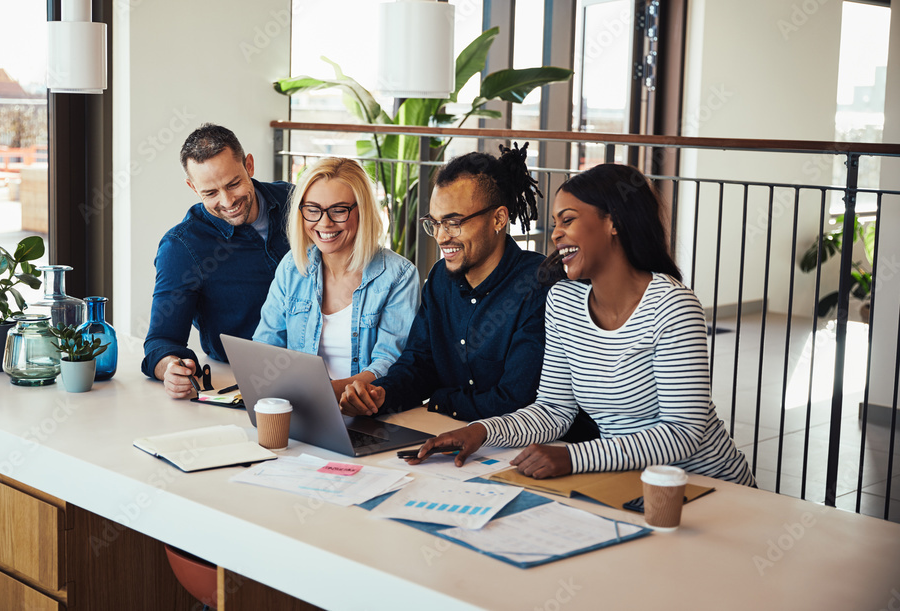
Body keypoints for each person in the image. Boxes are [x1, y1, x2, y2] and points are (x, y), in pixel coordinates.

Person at [410, 163, 756, 487]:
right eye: (555, 223)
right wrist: (480, 432)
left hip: (707, 484)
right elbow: (553, 410)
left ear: (613, 222)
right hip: (627, 478)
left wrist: (574, 456)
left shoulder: (672, 306)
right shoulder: (563, 300)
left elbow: (682, 432)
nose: (556, 234)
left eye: (568, 220)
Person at [339, 143, 549, 421]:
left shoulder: (538, 284)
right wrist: (380, 394)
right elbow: (419, 363)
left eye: (453, 222)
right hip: (446, 434)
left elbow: (516, 400)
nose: (440, 237)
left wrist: (440, 400)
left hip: (519, 445)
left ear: (498, 218)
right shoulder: (440, 278)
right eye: (435, 223)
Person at [141, 124, 292, 399]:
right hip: (245, 382)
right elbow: (161, 341)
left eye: (234, 183)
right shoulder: (182, 247)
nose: (227, 200)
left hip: (330, 367)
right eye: (210, 193)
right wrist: (170, 368)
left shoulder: (297, 203)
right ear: (192, 187)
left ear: (249, 165)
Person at [252, 157, 419, 399]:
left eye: (339, 210)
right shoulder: (292, 267)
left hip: (367, 414)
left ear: (362, 211)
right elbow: (265, 346)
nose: (324, 222)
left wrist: (321, 394)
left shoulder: (398, 275)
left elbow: (388, 364)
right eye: (313, 210)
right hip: (299, 406)